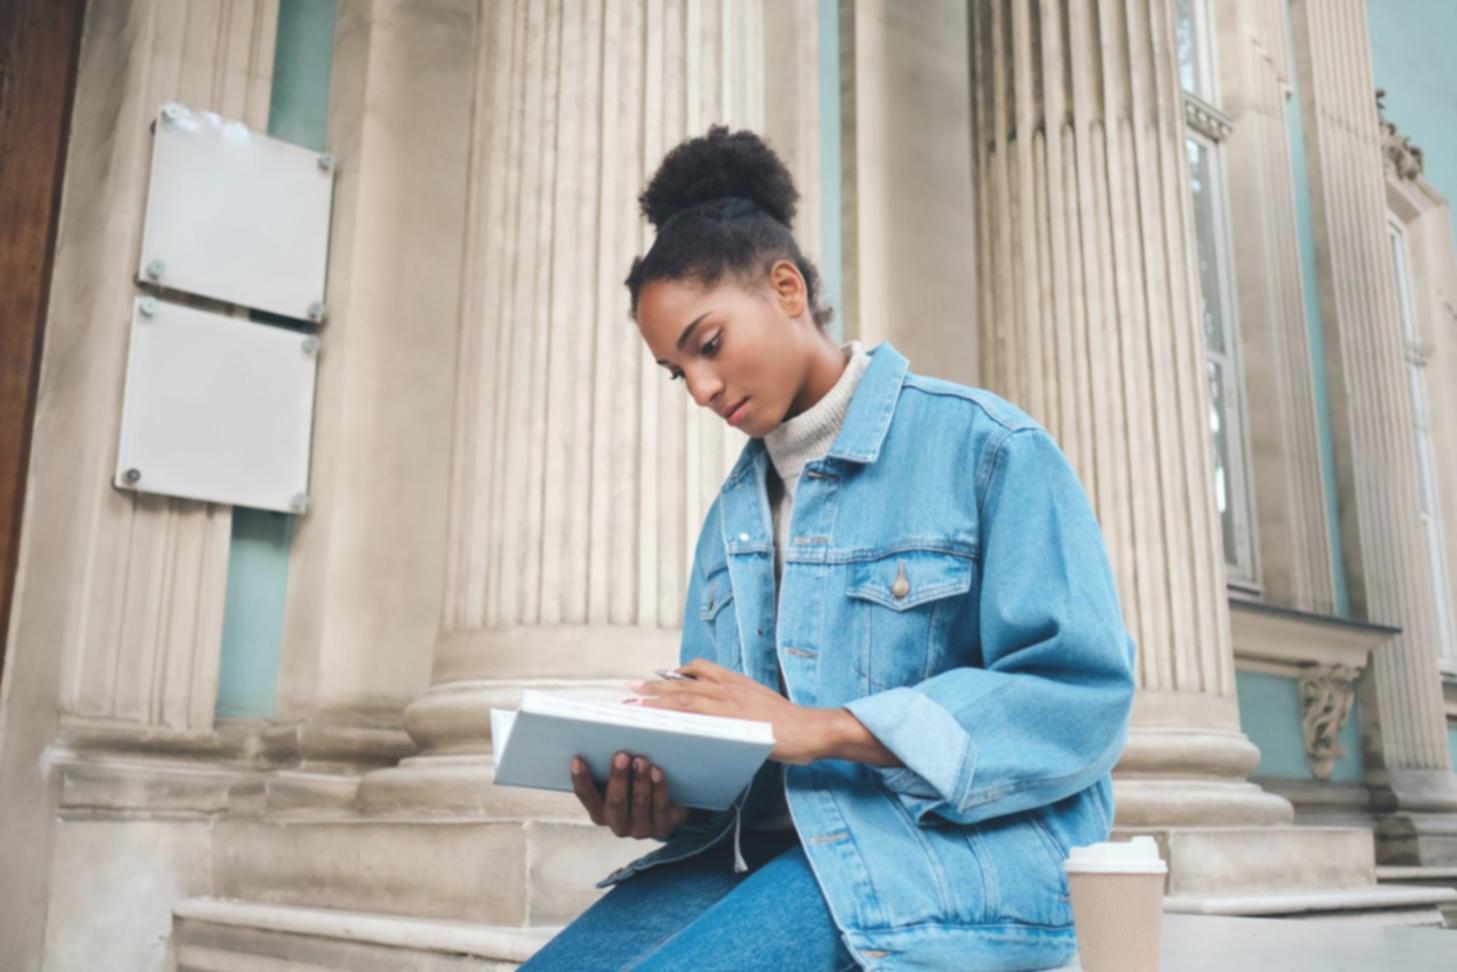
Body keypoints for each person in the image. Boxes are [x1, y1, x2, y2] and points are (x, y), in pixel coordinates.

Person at [520, 125, 1137, 972]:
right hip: (771, 859)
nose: (700, 389)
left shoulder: (987, 446)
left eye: (708, 345)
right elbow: (741, 757)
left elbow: (1079, 699)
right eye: (676, 371)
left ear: (786, 288)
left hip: (942, 861)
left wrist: (822, 730)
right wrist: (661, 802)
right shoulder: (731, 518)